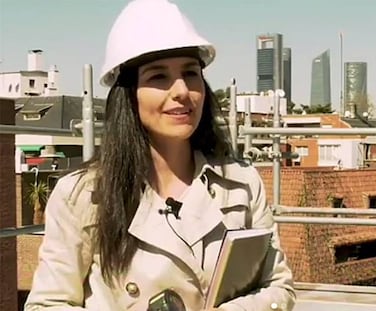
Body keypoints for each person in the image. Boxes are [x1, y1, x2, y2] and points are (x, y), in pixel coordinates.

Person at [24, 0, 296, 310]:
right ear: (129, 95)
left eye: (190, 73)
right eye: (158, 77)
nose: (181, 90)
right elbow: (47, 305)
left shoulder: (241, 183)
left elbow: (279, 287)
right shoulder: (83, 195)